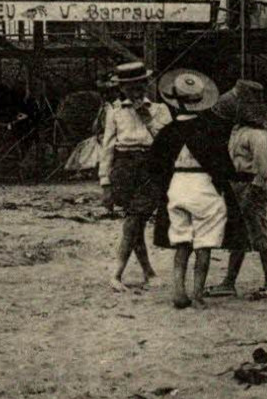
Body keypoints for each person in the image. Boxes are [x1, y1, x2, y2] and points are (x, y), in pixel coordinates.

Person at [146, 69, 244, 310]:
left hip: (177, 187)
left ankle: (178, 291)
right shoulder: (210, 130)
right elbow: (223, 166)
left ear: (174, 100)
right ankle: (198, 294)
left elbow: (154, 166)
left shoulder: (167, 132)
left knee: (181, 243)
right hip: (204, 188)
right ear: (201, 102)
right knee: (204, 244)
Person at [99, 62, 173, 292]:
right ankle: (147, 272)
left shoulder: (161, 110)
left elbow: (167, 141)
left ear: (146, 84)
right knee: (135, 222)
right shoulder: (115, 112)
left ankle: (116, 273)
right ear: (122, 89)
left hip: (150, 168)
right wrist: (105, 183)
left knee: (135, 220)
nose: (135, 91)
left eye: (139, 85)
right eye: (129, 87)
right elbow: (107, 148)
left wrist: (147, 116)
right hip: (124, 168)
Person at [208, 80, 267, 300]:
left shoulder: (258, 135)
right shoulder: (238, 130)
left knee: (258, 234)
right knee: (237, 235)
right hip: (237, 186)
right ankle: (229, 282)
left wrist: (252, 193)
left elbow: (265, 170)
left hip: (251, 187)